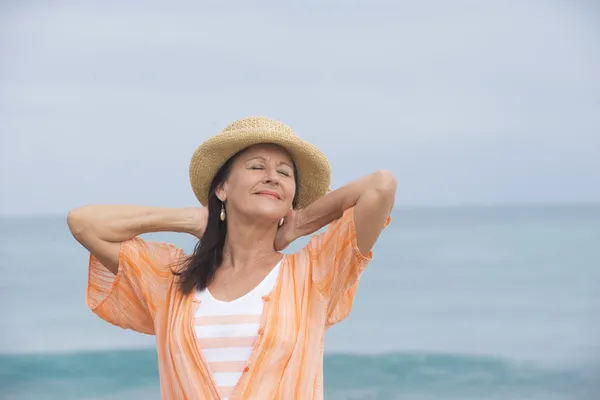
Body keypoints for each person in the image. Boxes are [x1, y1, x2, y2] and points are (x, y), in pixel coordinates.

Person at [67, 116, 396, 399]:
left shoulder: (313, 274)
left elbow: (381, 186)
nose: (272, 177)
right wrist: (188, 219)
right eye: (257, 167)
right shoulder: (171, 279)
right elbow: (84, 223)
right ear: (222, 188)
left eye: (285, 173)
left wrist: (300, 224)